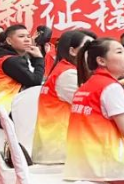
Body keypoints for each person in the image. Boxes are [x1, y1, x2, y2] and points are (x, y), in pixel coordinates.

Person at [64, 38, 124, 184]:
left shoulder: (87, 85)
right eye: (119, 52)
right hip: (105, 163)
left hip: (80, 161)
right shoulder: (110, 87)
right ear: (101, 60)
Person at [32, 30, 96, 164]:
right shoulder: (68, 75)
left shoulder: (67, 70)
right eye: (88, 47)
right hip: (60, 152)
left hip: (62, 146)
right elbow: (96, 107)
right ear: (72, 51)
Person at [0, 24, 45, 111]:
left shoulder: (9, 56)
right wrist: (39, 58)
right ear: (9, 41)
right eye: (21, 36)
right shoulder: (11, 60)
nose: (27, 39)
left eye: (28, 36)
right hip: (5, 108)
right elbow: (34, 81)